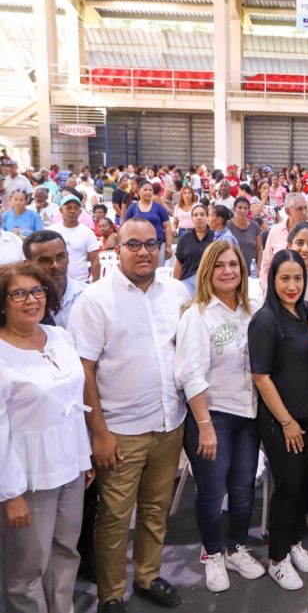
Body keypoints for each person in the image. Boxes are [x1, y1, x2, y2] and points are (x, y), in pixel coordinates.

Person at [68, 218, 191, 613]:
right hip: (121, 431)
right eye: (133, 245)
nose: (143, 252)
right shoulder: (96, 299)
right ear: (116, 248)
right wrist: (98, 433)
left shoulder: (174, 293)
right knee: (115, 518)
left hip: (169, 423)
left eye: (151, 244)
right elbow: (84, 369)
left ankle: (148, 575)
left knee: (156, 509)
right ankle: (111, 593)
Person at [0, 262, 92, 613]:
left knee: (65, 554)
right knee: (26, 570)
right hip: (27, 479)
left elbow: (73, 405)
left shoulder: (59, 337)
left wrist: (83, 458)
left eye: (37, 291)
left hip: (69, 468)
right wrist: (11, 494)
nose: (31, 300)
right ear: (3, 302)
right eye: (19, 293)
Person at [173, 242, 265, 593]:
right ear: (207, 272)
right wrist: (205, 426)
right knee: (212, 492)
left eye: (234, 265)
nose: (228, 271)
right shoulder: (196, 314)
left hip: (248, 414)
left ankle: (236, 547)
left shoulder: (250, 309)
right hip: (213, 417)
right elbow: (189, 374)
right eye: (219, 266)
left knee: (243, 488)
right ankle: (212, 552)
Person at [248, 250, 308, 591]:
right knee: (288, 485)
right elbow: (261, 377)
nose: (292, 285)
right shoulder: (265, 320)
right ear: (272, 280)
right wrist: (287, 421)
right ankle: (277, 558)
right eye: (285, 279)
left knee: (305, 484)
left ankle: (293, 542)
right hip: (282, 421)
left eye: (297, 278)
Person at [259, 193, 308, 289]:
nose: (305, 213)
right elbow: (266, 266)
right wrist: (267, 290)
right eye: (300, 209)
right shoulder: (275, 231)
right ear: (287, 211)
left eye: (306, 208)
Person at [22, 230, 86, 330]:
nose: (55, 265)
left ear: (68, 257)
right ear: (27, 265)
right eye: (44, 260)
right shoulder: (20, 303)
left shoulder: (88, 295)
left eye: (61, 257)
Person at [49, 196, 100, 283]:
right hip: (56, 282)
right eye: (68, 208)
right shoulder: (51, 231)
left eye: (75, 208)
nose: (72, 211)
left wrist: (95, 285)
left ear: (80, 212)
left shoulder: (87, 232)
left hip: (81, 282)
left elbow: (95, 261)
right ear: (61, 210)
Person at [123, 181, 172, 265]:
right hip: (137, 247)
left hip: (158, 245)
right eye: (145, 190)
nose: (148, 192)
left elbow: (167, 227)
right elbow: (125, 228)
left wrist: (168, 246)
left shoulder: (159, 207)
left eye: (150, 190)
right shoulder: (132, 208)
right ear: (139, 192)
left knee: (158, 270)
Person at [173, 205, 214, 296]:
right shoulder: (185, 238)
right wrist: (175, 285)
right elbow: (179, 263)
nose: (199, 218)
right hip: (187, 281)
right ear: (192, 218)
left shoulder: (214, 237)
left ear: (207, 217)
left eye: (202, 214)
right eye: (195, 215)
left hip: (209, 282)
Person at [228, 198, 263, 273]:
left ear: (248, 210)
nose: (242, 211)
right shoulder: (228, 225)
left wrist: (258, 267)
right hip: (233, 269)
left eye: (245, 208)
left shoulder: (255, 225)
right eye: (240, 207)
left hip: (251, 269)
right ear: (234, 209)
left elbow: (259, 249)